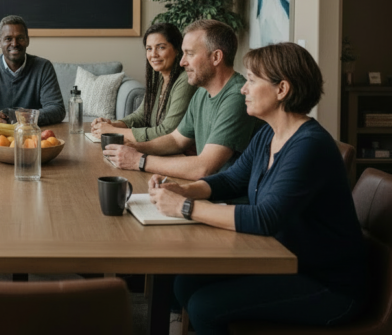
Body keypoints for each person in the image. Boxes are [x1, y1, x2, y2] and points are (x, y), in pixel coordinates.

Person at [149, 42, 367, 334]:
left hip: (328, 285)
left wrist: (185, 208)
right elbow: (232, 179)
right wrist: (186, 191)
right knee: (186, 282)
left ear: (282, 89)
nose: (243, 89)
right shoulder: (268, 133)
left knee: (204, 306)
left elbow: (266, 218)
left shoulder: (309, 146)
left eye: (251, 80)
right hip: (284, 260)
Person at [104, 19, 260, 180]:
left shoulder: (237, 97)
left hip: (226, 200)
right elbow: (176, 140)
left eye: (190, 54)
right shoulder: (202, 93)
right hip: (206, 188)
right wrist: (136, 147)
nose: (182, 62)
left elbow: (203, 168)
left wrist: (139, 160)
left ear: (216, 57)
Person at [90, 22, 196, 142]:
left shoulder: (185, 80)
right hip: (155, 147)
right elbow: (141, 116)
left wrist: (114, 131)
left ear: (177, 49)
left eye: (161, 47)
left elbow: (167, 131)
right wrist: (112, 125)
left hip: (178, 154)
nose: (153, 54)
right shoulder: (158, 79)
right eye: (149, 48)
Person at [0, 14, 65, 126]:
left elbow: (57, 109)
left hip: (31, 134)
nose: (14, 44)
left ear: (27, 40)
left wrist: (25, 118)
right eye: (8, 39)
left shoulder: (43, 67)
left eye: (20, 38)